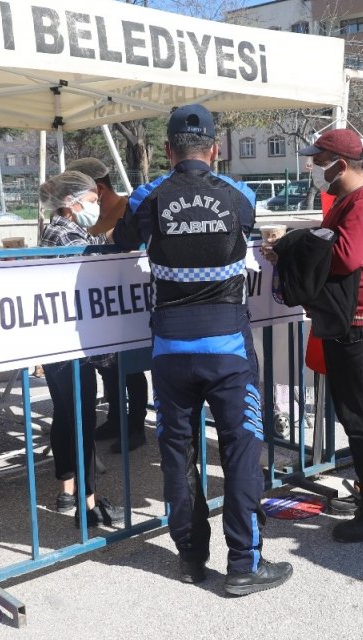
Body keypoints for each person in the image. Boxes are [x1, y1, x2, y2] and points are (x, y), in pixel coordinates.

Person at [111, 105, 292, 595]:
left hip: (170, 346)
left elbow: (119, 237)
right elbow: (247, 229)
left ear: (168, 150)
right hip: (228, 345)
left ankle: (191, 557)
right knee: (239, 451)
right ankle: (243, 565)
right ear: (214, 150)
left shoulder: (148, 196)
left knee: (177, 452)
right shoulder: (240, 195)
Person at [285, 129, 363, 541]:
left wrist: (294, 246)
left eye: (318, 159)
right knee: (356, 415)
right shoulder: (349, 199)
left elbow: (344, 255)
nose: (313, 165)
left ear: (340, 163)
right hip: (349, 321)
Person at [37, 171, 124, 529]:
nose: (95, 207)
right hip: (74, 341)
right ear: (71, 203)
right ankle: (87, 505)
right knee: (82, 418)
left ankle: (68, 490)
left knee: (66, 414)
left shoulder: (56, 229)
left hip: (63, 340)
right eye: (91, 201)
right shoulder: (67, 234)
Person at [65, 157, 150, 453]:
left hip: (126, 301)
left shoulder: (129, 209)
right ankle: (116, 418)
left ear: (98, 189)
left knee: (132, 368)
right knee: (107, 368)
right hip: (97, 302)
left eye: (77, 192)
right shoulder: (91, 213)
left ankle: (136, 426)